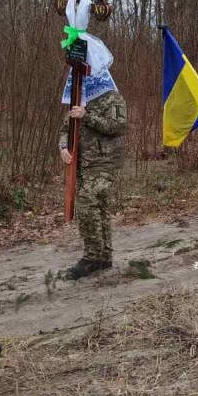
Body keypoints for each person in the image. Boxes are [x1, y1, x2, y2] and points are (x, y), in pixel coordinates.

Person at [59, 80, 128, 279]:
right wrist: (63, 148)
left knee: (87, 204)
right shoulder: (79, 99)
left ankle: (91, 258)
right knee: (100, 207)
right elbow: (65, 129)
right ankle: (104, 257)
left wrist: (87, 116)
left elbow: (119, 125)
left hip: (104, 163)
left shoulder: (112, 97)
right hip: (83, 165)